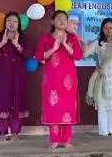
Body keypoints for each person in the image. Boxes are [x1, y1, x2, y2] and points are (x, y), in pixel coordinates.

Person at [35, 10, 83, 149]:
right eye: (59, 18)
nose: (62, 21)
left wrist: (65, 44)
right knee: (53, 107)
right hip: (52, 78)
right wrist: (54, 48)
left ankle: (66, 140)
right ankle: (55, 140)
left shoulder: (72, 38)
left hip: (69, 79)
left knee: (68, 107)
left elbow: (78, 56)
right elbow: (39, 56)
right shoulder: (46, 38)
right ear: (52, 21)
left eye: (64, 18)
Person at [0, 11, 33, 141]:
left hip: (18, 77)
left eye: (15, 21)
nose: (12, 24)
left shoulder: (23, 38)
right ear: (5, 23)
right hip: (1, 77)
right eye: (9, 21)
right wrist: (3, 42)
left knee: (17, 102)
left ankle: (15, 133)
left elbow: (29, 54)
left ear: (19, 24)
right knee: (1, 103)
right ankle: (1, 133)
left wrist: (17, 45)